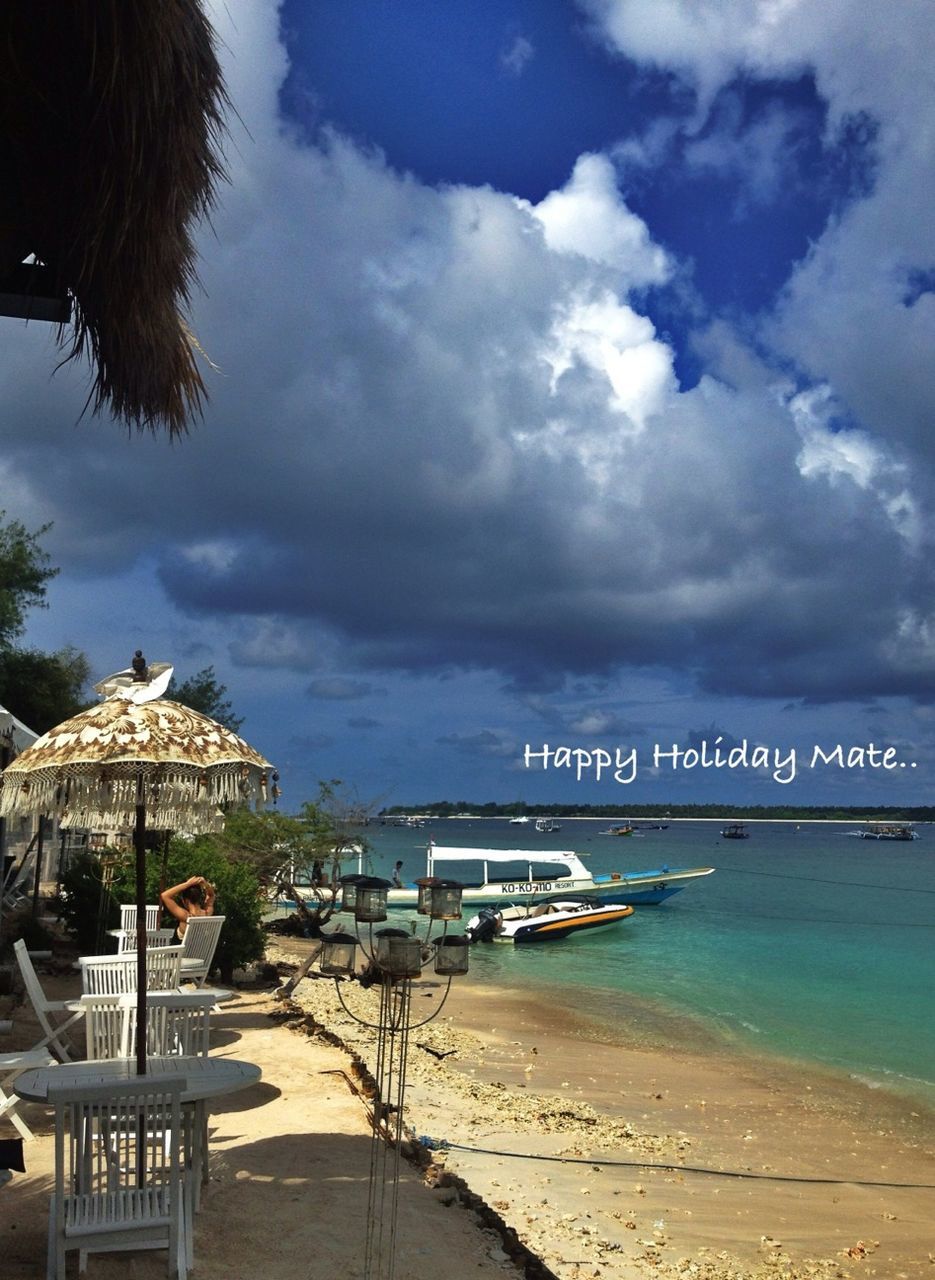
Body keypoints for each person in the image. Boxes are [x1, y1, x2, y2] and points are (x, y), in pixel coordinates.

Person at [160, 875, 215, 939]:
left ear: (185, 901)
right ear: (199, 898)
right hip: (202, 949)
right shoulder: (207, 914)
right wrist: (205, 884)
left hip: (179, 949)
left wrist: (188, 884)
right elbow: (211, 895)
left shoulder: (185, 917)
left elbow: (164, 895)